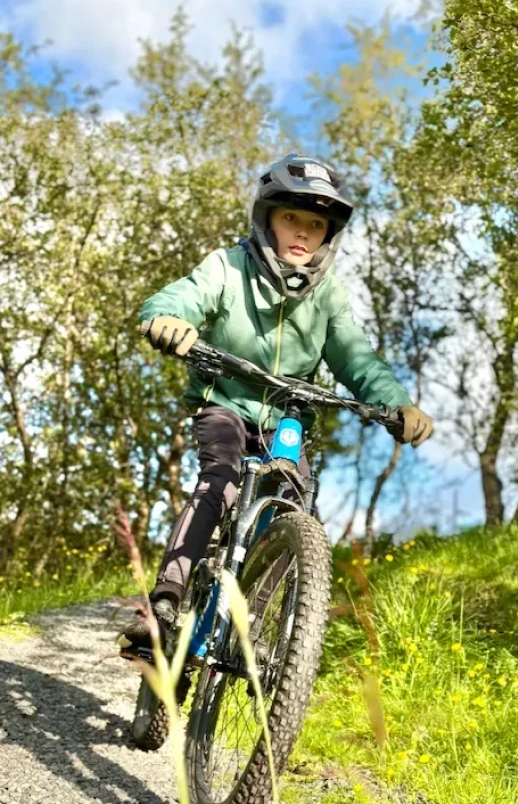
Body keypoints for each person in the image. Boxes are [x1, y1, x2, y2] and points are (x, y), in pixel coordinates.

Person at [119, 153, 434, 652]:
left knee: (294, 503)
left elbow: (357, 359)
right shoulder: (228, 267)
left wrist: (396, 404)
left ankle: (258, 627)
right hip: (225, 402)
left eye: (316, 224)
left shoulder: (328, 296)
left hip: (286, 420)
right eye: (292, 217)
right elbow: (181, 298)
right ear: (267, 218)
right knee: (220, 477)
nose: (303, 232)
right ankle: (166, 601)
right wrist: (168, 319)